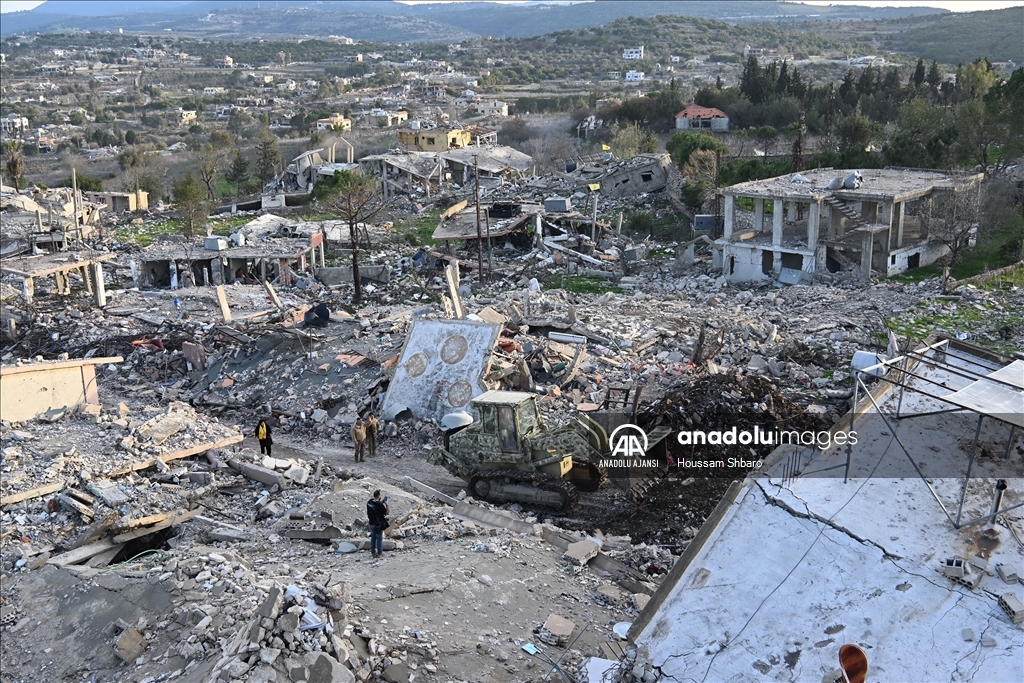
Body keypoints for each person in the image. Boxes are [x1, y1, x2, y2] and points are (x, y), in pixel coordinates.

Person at [366, 489, 390, 560]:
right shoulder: (379, 505)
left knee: (373, 537)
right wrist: (387, 504)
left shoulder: (369, 502)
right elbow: (387, 512)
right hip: (378, 524)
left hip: (371, 523)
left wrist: (380, 502)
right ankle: (380, 552)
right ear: (379, 496)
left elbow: (375, 506)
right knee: (379, 538)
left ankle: (373, 552)